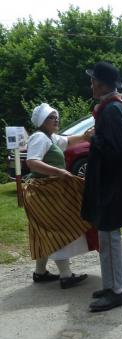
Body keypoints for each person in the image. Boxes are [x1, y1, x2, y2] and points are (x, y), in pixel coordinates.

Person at [81, 61, 122, 312]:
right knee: (107, 238)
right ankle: (115, 283)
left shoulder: (112, 110)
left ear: (103, 84)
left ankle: (116, 291)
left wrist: (95, 138)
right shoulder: (112, 108)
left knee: (109, 239)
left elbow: (114, 150)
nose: (91, 84)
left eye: (93, 80)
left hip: (111, 185)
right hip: (111, 184)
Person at [24, 103, 95, 289]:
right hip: (44, 191)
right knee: (60, 228)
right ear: (41, 122)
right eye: (51, 117)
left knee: (44, 231)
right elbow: (32, 162)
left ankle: (40, 272)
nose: (56, 119)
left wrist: (84, 136)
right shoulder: (39, 138)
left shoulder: (50, 137)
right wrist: (59, 172)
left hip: (48, 189)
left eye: (56, 116)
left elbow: (68, 141)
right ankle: (66, 276)